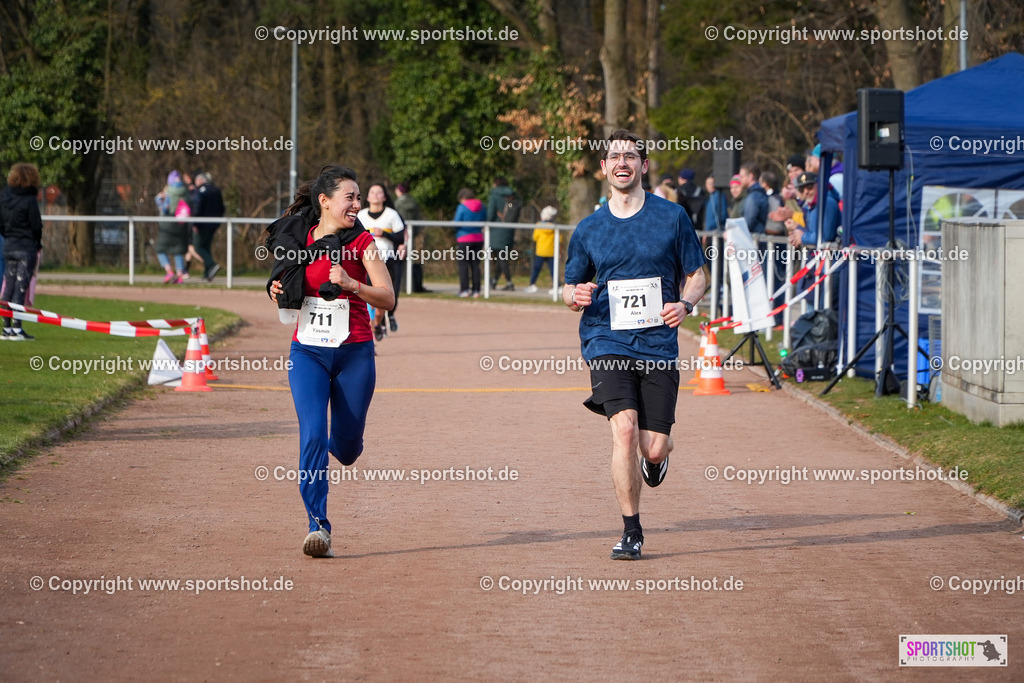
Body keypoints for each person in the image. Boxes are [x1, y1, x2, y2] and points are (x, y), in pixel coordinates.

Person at [563, 129, 706, 561]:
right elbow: (569, 289)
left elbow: (697, 275)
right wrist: (576, 296)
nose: (622, 162)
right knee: (623, 430)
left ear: (644, 166)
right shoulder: (589, 229)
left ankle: (659, 457)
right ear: (604, 169)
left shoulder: (672, 217)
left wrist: (685, 304)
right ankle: (631, 530)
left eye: (631, 156)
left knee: (653, 444)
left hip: (658, 344)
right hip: (606, 338)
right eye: (614, 157)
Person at [267, 165, 395, 558]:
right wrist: (276, 290)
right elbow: (286, 286)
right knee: (312, 433)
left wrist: (352, 284)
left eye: (359, 197)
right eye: (350, 197)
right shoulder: (297, 240)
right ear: (324, 201)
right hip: (307, 351)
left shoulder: (363, 243)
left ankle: (343, 445)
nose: (357, 204)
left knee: (348, 447)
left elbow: (388, 298)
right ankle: (317, 526)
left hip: (354, 353)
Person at [0, 163, 43, 340]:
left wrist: (9, 236)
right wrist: (37, 243)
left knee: (8, 287)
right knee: (21, 288)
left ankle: (6, 328)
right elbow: (36, 225)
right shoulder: (30, 200)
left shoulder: (4, 197)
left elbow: (1, 223)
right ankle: (17, 328)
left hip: (9, 246)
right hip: (26, 248)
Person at [357, 183, 405, 338]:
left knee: (387, 295)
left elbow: (400, 236)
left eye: (379, 192)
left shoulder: (391, 214)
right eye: (372, 192)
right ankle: (376, 327)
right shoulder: (361, 215)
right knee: (370, 297)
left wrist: (384, 233)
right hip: (367, 261)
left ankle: (382, 320)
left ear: (384, 196)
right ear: (368, 197)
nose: (376, 195)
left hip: (387, 260)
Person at [785, 172, 840, 247]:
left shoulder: (827, 201)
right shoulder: (811, 205)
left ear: (818, 184)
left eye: (809, 186)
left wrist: (802, 237)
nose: (806, 192)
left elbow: (825, 236)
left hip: (829, 255)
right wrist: (797, 229)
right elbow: (812, 231)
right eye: (802, 189)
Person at [154, 171, 189, 284]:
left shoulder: (168, 192)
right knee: (178, 250)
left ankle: (169, 272)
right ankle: (179, 275)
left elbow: (164, 208)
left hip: (168, 224)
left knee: (160, 248)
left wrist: (158, 199)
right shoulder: (185, 191)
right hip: (181, 223)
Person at [394, 182, 429, 293]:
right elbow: (419, 221)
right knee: (413, 260)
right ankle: (414, 286)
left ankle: (403, 286)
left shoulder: (397, 204)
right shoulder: (414, 202)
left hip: (400, 235)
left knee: (401, 260)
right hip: (413, 235)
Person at [191, 172, 225, 282]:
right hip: (214, 224)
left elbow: (198, 207)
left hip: (202, 224)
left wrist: (195, 223)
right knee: (206, 248)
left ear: (200, 181)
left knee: (198, 247)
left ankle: (212, 264)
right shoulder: (216, 190)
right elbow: (222, 207)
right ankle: (207, 273)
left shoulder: (200, 191)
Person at [486, 177, 519, 291]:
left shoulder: (494, 196)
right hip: (509, 230)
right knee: (502, 256)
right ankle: (494, 281)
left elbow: (490, 215)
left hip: (497, 230)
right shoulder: (512, 195)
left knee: (501, 257)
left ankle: (509, 282)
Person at [453, 188, 485, 298]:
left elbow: (456, 222)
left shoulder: (461, 207)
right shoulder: (482, 206)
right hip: (478, 239)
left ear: (463, 198)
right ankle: (476, 290)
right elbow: (485, 219)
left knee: (463, 265)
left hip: (464, 238)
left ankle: (464, 290)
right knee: (476, 265)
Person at [525, 206, 558, 293]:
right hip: (552, 251)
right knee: (553, 270)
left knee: (536, 269)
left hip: (541, 252)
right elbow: (559, 239)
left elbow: (535, 237)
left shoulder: (538, 226)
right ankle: (557, 286)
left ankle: (532, 284)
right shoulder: (554, 227)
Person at [738, 162, 768, 234]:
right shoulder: (757, 193)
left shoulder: (753, 197)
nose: (740, 180)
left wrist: (733, 232)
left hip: (758, 240)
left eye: (742, 177)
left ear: (750, 176)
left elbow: (748, 223)